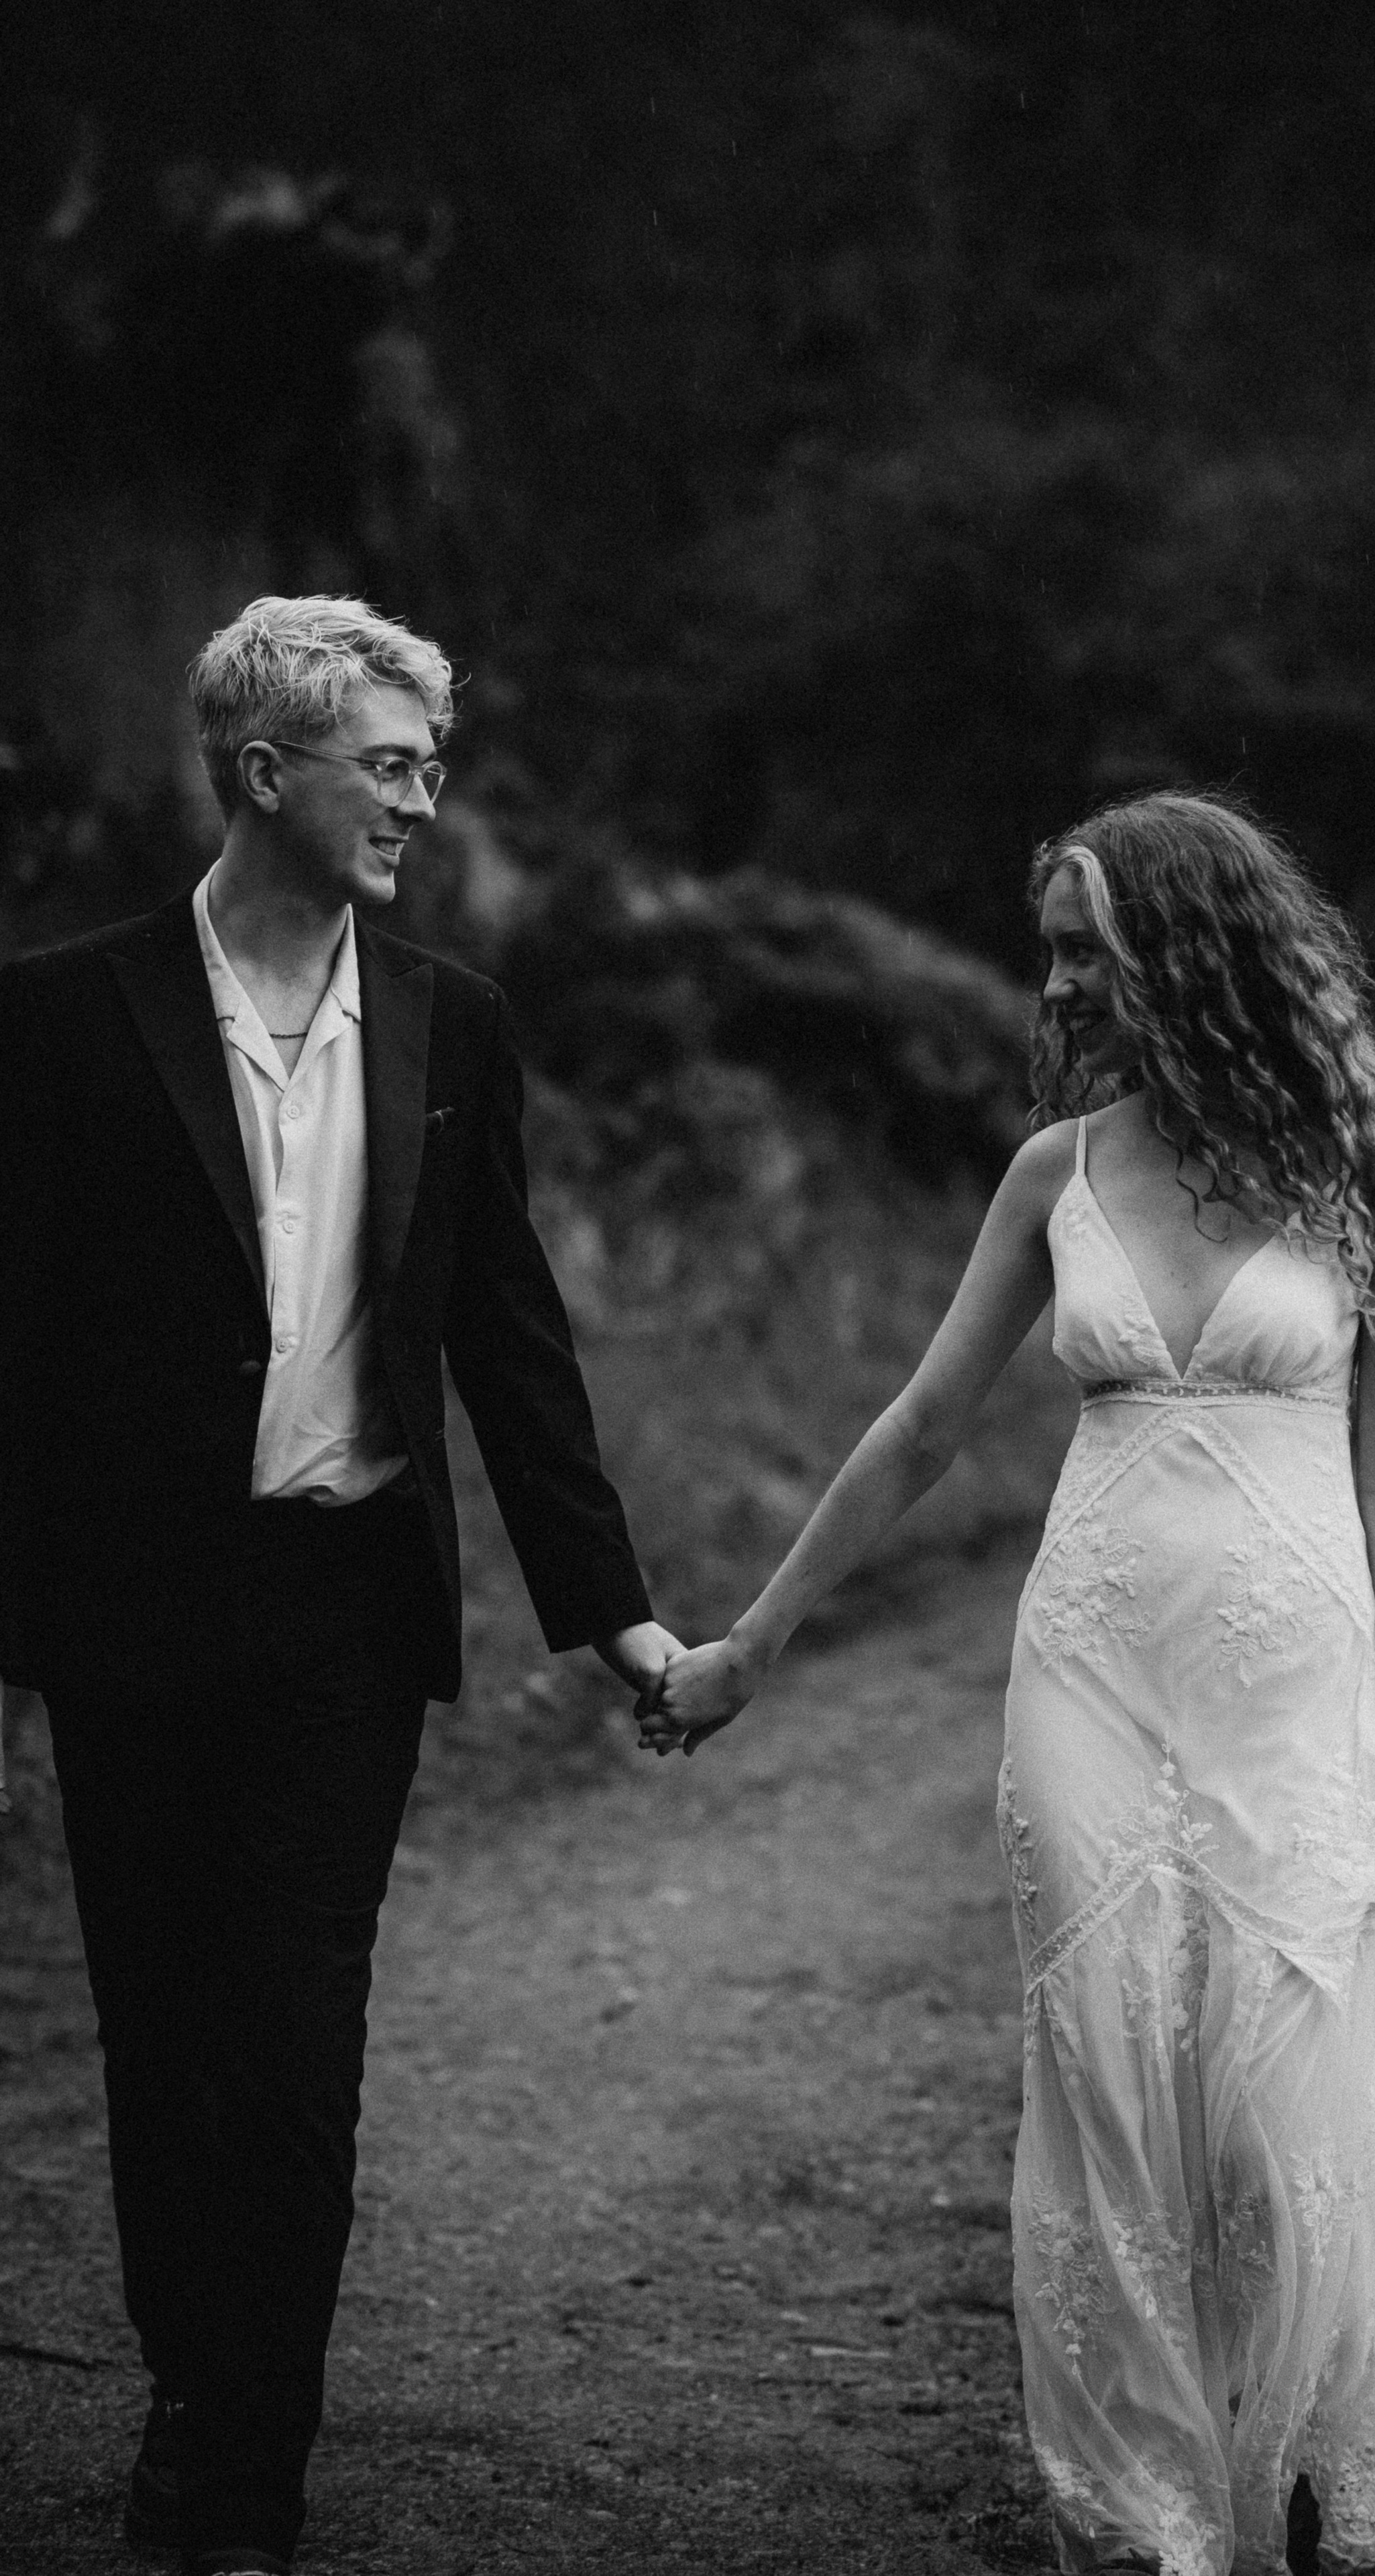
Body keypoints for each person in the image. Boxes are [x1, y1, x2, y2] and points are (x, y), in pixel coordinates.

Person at [647, 792, 1375, 2576]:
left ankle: (1308, 2481)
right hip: (1089, 1678)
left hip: (1294, 1697)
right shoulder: (1058, 1173)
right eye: (1052, 947)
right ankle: (1145, 2519)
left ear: (1186, 952)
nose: (1053, 985)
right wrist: (751, 1644)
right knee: (1108, 2075)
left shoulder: (1369, 1165)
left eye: (1079, 948)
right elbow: (921, 1429)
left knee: (1288, 2096)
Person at [0, 596, 679, 2576]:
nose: (422, 800)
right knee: (160, 2029)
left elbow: (507, 1330)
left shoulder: (453, 1021)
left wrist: (611, 1607)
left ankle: (245, 2471)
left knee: (296, 2040)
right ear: (260, 772)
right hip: (133, 1621)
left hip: (340, 1625)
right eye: (386, 764)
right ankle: (197, 2381)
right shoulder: (58, 1017)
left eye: (427, 763)